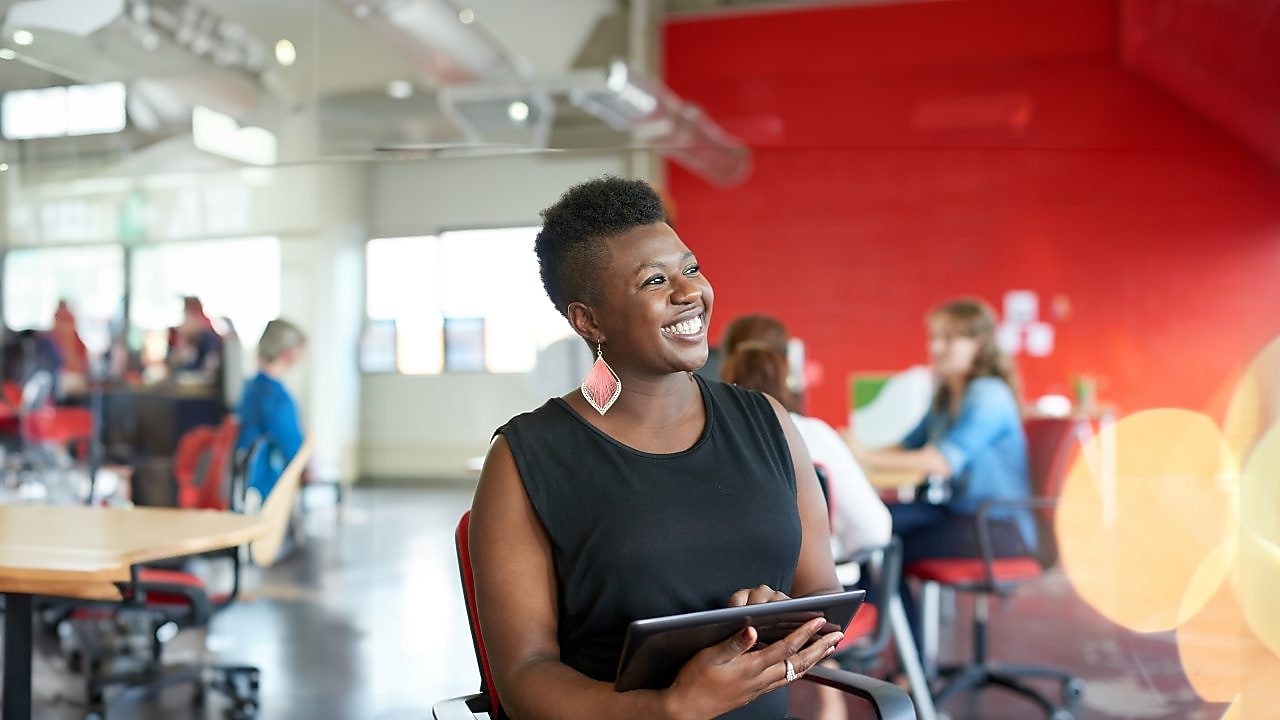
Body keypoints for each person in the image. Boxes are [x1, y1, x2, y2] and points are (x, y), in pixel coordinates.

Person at [469, 176, 845, 720]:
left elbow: (822, 594)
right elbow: (525, 677)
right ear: (588, 319)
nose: (690, 292)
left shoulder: (769, 422)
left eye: (690, 268)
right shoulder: (525, 458)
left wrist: (782, 620)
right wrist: (668, 708)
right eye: (654, 281)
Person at [852, 298, 1033, 638]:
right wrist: (854, 451)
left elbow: (941, 461)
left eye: (949, 339)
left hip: (996, 526)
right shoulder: (946, 394)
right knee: (869, 524)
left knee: (883, 546)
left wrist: (863, 456)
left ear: (978, 345)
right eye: (934, 337)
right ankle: (891, 651)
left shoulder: (987, 394)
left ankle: (904, 662)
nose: (936, 347)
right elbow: (909, 447)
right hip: (960, 513)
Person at [720, 315, 891, 559]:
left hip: (729, 590)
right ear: (787, 364)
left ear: (724, 363)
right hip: (812, 590)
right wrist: (829, 550)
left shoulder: (700, 438)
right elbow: (875, 531)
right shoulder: (813, 435)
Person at [235, 319, 305, 508]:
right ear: (289, 353)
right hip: (264, 484)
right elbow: (294, 449)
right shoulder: (277, 398)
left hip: (241, 479)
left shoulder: (250, 386)